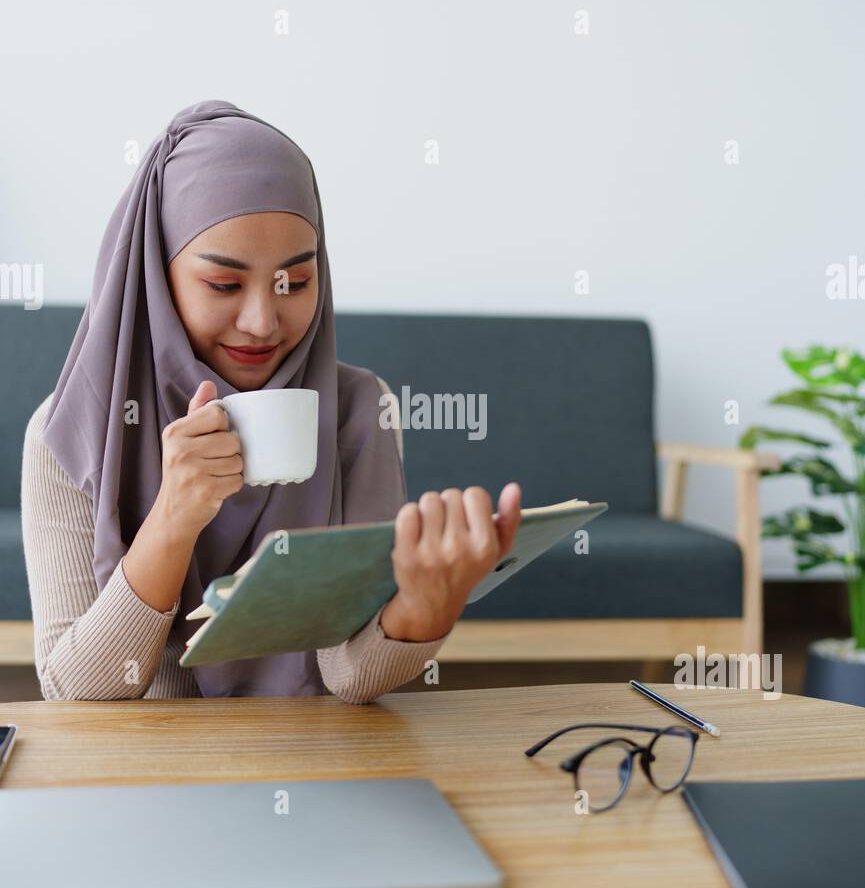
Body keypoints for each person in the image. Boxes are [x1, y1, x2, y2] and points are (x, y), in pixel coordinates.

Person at [21, 99, 521, 700]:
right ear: (156, 275)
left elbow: (349, 676)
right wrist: (174, 517)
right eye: (224, 284)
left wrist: (424, 606)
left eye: (296, 282)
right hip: (145, 774)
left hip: (309, 764)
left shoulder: (362, 410)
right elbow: (74, 691)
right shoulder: (71, 431)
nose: (262, 322)